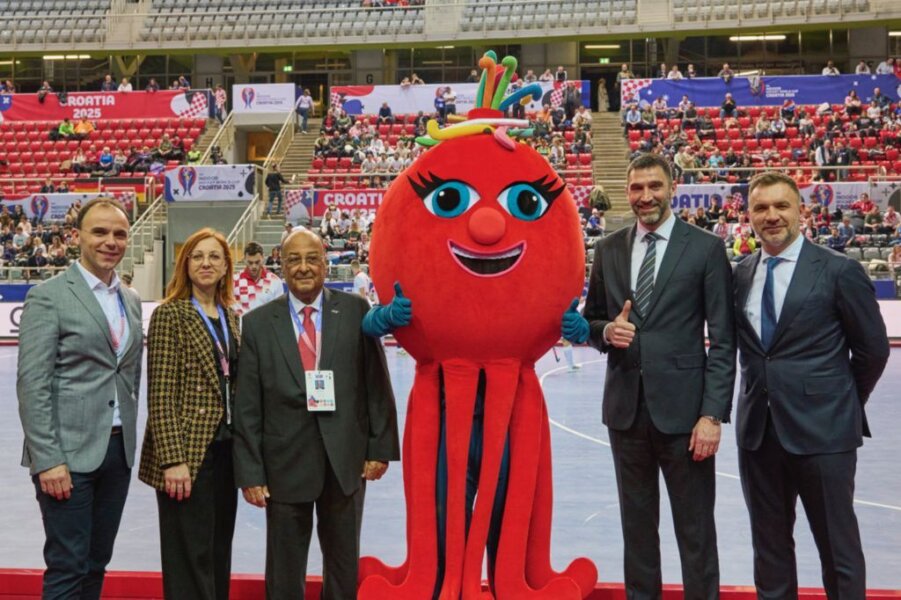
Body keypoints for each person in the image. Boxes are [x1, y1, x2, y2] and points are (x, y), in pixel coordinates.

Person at [567, 153, 736, 599]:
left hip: (687, 417)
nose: (646, 196)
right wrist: (607, 331)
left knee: (696, 531)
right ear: (627, 192)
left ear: (672, 188)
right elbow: (592, 320)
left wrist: (712, 415)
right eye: (637, 188)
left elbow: (723, 340)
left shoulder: (705, 248)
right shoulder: (609, 248)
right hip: (626, 413)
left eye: (654, 186)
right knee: (637, 530)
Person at [733, 171, 890, 599]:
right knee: (769, 551)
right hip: (758, 434)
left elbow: (874, 351)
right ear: (748, 215)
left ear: (801, 211)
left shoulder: (839, 270)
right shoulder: (740, 274)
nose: (771, 216)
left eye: (781, 206)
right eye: (761, 208)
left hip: (825, 433)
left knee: (838, 549)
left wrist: (842, 401)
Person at [233, 228, 399, 599]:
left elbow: (375, 383)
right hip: (283, 463)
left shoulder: (356, 311)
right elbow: (248, 406)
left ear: (325, 264)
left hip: (345, 460)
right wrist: (250, 471)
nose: (304, 267)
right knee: (284, 568)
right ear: (281, 265)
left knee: (342, 564)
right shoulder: (258, 324)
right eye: (294, 260)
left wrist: (380, 448)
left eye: (312, 259)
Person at [16, 197, 143, 598]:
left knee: (95, 562)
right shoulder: (48, 295)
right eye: (99, 232)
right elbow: (32, 384)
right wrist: (48, 459)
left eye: (119, 233)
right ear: (77, 237)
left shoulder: (131, 299)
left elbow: (128, 375)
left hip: (117, 452)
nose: (110, 241)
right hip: (66, 455)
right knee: (68, 565)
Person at [138, 228, 240, 600]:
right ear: (185, 265)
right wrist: (172, 459)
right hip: (187, 455)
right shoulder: (170, 315)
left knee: (217, 551)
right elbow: (160, 395)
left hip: (225, 452)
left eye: (214, 256)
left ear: (226, 267)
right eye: (197, 256)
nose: (205, 263)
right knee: (188, 558)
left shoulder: (231, 316)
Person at [232, 241, 285, 316]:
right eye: (250, 263)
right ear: (244, 260)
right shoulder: (234, 281)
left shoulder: (275, 281)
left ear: (263, 258)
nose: (254, 266)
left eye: (257, 262)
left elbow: (279, 311)